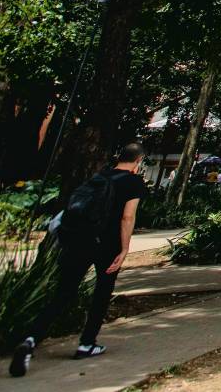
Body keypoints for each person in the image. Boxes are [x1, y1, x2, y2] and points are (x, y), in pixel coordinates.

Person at [11, 143, 148, 377]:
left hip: (79, 242)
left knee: (63, 292)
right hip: (107, 244)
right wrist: (124, 248)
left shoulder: (99, 177)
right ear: (139, 161)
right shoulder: (134, 182)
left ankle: (31, 338)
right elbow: (128, 217)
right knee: (102, 293)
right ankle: (87, 343)